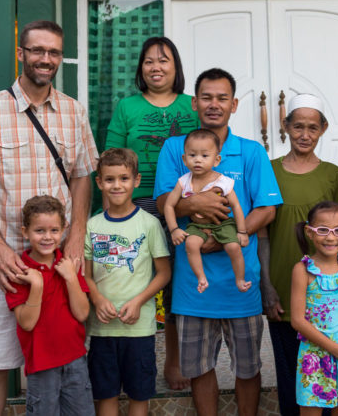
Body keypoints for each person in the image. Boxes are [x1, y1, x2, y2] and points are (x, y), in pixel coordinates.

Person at [0, 20, 99, 416]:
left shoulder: (73, 111)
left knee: (67, 357)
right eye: (37, 50)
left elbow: (83, 178)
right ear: (21, 54)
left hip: (61, 261)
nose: (45, 59)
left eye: (53, 52)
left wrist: (75, 238)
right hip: (12, 263)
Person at [154, 68, 282, 416]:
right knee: (197, 367)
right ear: (194, 103)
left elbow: (267, 209)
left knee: (248, 367)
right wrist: (194, 204)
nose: (214, 104)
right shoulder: (174, 149)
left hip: (241, 285)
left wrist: (226, 238)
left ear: (234, 104)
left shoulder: (251, 152)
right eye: (207, 97)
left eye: (222, 98)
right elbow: (166, 199)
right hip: (192, 287)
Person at [105, 35, 197, 389]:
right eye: (149, 61)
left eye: (164, 60)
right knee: (134, 281)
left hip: (181, 206)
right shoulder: (127, 107)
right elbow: (112, 158)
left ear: (176, 67)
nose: (156, 67)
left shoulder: (192, 106)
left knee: (175, 286)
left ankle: (174, 363)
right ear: (141, 69)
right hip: (136, 204)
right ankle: (130, 363)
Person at [259, 94, 338, 416]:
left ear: (323, 129)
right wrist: (267, 285)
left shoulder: (333, 175)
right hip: (284, 293)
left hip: (324, 302)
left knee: (328, 378)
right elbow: (262, 234)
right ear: (285, 127)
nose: (304, 134)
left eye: (312, 128)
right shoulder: (269, 170)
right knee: (292, 378)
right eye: (297, 126)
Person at [85, 148, 171, 416]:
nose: (116, 185)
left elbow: (164, 273)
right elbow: (85, 275)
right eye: (109, 179)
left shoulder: (149, 224)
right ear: (99, 183)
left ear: (136, 180)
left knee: (138, 395)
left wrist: (137, 302)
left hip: (139, 330)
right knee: (106, 395)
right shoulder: (92, 225)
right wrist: (97, 299)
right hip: (102, 330)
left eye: (124, 178)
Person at [5, 195, 93, 416]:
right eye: (39, 231)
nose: (47, 237)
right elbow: (26, 323)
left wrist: (71, 278)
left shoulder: (68, 264)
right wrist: (36, 285)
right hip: (42, 365)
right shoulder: (19, 271)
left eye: (54, 230)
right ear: (25, 231)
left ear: (64, 229)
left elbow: (82, 313)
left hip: (75, 360)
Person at [289, 201, 338, 415]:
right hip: (315, 353)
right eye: (322, 230)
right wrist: (333, 348)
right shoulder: (303, 270)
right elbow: (297, 320)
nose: (331, 237)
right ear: (309, 232)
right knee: (311, 410)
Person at [164, 129, 251, 293]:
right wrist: (174, 229)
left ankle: (240, 279)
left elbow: (236, 206)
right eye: (192, 155)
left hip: (222, 225)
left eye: (204, 156)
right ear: (184, 159)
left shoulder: (223, 182)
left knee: (233, 247)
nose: (198, 160)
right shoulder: (183, 182)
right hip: (196, 226)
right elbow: (169, 205)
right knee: (191, 244)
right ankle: (201, 278)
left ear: (216, 160)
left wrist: (242, 231)